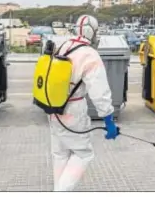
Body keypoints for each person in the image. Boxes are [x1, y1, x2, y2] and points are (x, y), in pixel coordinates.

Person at [49, 15, 119, 191]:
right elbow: (100, 93)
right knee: (83, 154)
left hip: (54, 107)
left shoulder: (64, 46)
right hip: (74, 109)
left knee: (60, 153)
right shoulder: (89, 54)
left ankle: (59, 190)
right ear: (91, 32)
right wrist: (109, 122)